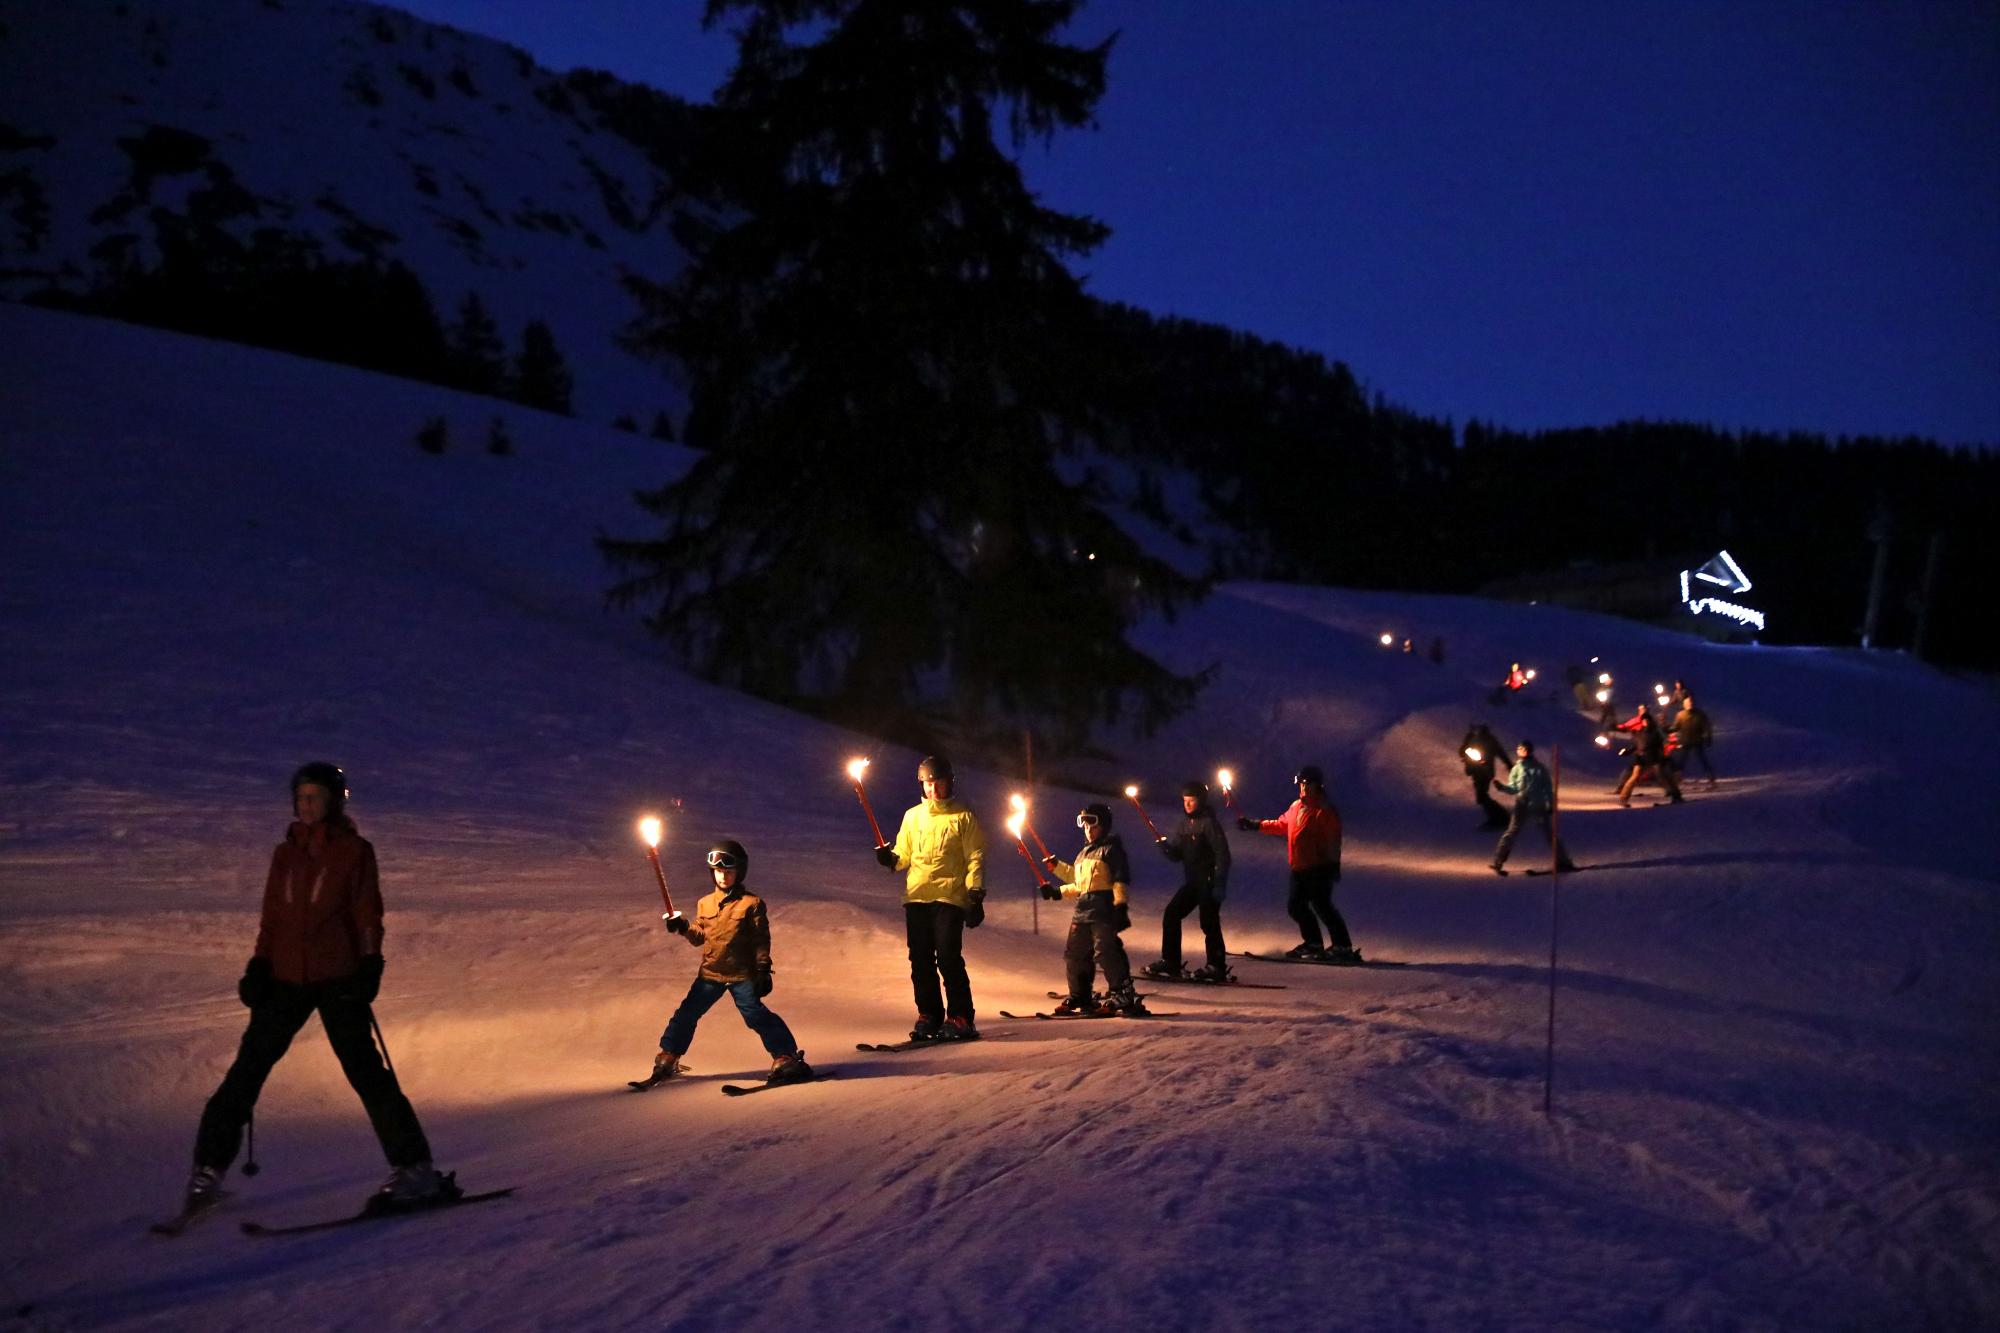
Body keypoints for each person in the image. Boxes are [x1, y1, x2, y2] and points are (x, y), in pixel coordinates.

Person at [175, 764, 450, 1224]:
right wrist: (259, 965)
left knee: (365, 1072)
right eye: (301, 797)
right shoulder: (284, 855)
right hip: (284, 979)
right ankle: (206, 1175)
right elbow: (272, 920)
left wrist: (369, 964)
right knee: (246, 1073)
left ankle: (416, 1169)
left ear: (333, 802)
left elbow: (367, 915)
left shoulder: (354, 851)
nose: (306, 806)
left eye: (315, 798)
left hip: (339, 978)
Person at [650, 839, 812, 1086]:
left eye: (728, 872)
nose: (723, 877)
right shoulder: (705, 903)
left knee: (756, 1016)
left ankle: (786, 1057)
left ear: (739, 872)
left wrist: (762, 968)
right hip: (711, 973)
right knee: (686, 1014)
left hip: (741, 975)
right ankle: (669, 1056)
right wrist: (682, 927)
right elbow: (699, 938)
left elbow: (760, 939)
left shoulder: (752, 904)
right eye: (718, 872)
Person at [876, 755, 987, 1040]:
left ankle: (961, 1016)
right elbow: (904, 855)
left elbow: (974, 857)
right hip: (917, 897)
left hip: (950, 898)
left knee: (948, 958)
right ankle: (930, 1014)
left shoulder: (963, 817)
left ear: (949, 783)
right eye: (927, 784)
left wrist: (975, 894)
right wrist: (890, 859)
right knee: (920, 960)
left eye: (938, 783)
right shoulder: (913, 816)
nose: (933, 790)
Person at [1239, 766, 1360, 963]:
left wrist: (1332, 865)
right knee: (1296, 906)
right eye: (1300, 784)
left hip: (1318, 867)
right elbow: (1281, 825)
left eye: (1305, 784)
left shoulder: (1324, 810)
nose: (1301, 788)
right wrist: (1255, 825)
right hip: (1299, 868)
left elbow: (1332, 840)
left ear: (1315, 785)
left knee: (1322, 906)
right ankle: (1313, 942)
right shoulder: (1297, 806)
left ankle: (1342, 946)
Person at [1042, 803, 1145, 1014]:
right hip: (1082, 910)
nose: (1088, 829)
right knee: (1075, 954)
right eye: (1085, 824)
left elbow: (1119, 880)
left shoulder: (1111, 849)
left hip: (1103, 909)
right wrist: (1057, 890)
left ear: (1104, 825)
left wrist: (1120, 904)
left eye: (1093, 824)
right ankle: (1080, 995)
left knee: (1105, 950)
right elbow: (1079, 883)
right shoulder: (1083, 854)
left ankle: (1122, 992)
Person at [1142, 781, 1232, 982]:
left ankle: (1216, 965)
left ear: (1201, 801)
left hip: (1208, 883)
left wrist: (1219, 883)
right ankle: (1171, 961)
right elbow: (1178, 855)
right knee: (1172, 913)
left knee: (1208, 923)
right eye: (1185, 801)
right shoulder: (1184, 825)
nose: (1188, 805)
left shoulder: (1209, 824)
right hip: (1193, 883)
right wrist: (1166, 848)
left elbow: (1222, 855)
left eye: (1191, 801)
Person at [1491, 741, 1577, 874]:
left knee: (1549, 834)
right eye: (1519, 748)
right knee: (1511, 831)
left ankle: (1563, 861)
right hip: (1522, 804)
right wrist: (1502, 787)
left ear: (1528, 751)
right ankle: (1498, 861)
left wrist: (1550, 804)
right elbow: (1514, 788)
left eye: (1523, 749)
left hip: (1537, 805)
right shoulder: (1517, 769)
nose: (1520, 751)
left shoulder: (1539, 768)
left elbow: (1547, 789)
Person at [1615, 704, 1683, 805]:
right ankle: (1623, 798)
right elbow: (1634, 745)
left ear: (1650, 721)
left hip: (1654, 757)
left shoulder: (1655, 733)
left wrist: (1663, 754)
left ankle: (1676, 795)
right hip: (1641, 757)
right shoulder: (1638, 732)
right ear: (1642, 722)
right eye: (1644, 721)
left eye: (1647, 720)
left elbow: (1661, 744)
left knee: (1663, 775)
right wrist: (1627, 751)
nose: (1646, 722)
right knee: (1634, 777)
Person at [1459, 722, 1511, 829]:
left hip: (1485, 771)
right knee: (1481, 796)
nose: (1475, 730)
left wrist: (1509, 765)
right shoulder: (1470, 737)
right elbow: (1462, 750)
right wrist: (1465, 753)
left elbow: (1500, 752)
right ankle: (1498, 818)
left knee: (1482, 796)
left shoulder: (1489, 739)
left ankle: (1502, 818)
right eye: (1474, 728)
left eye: (1478, 728)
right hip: (1474, 770)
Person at [1672, 696, 1717, 788]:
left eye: (1691, 702)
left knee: (1702, 760)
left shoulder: (1700, 714)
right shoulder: (1680, 715)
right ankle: (1677, 780)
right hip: (1685, 741)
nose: (1689, 704)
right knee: (1681, 761)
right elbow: (1675, 727)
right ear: (1684, 704)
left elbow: (1706, 726)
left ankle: (1711, 779)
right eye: (1687, 703)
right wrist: (1666, 729)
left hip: (1697, 741)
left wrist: (1708, 737)